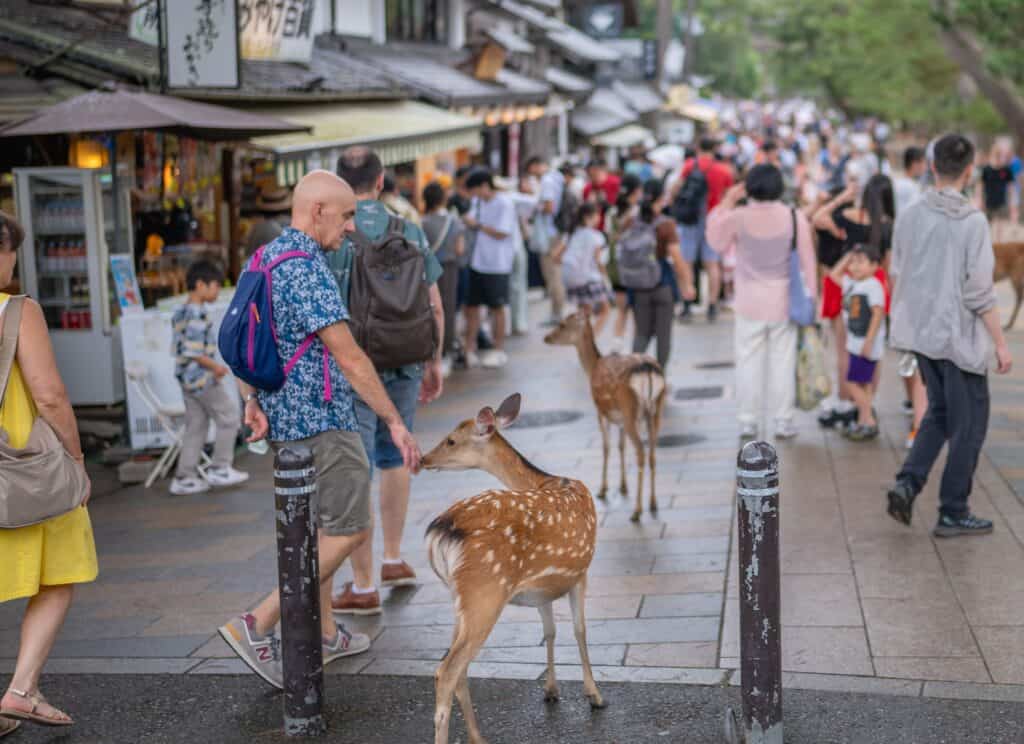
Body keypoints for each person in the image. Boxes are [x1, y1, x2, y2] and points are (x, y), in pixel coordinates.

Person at [218, 171, 422, 687]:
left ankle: (327, 634)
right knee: (351, 527)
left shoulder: (264, 257)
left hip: (285, 421)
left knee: (315, 531)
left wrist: (252, 401)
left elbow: (238, 336)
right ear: (316, 213)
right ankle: (256, 623)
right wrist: (394, 422)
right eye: (346, 215)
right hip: (322, 420)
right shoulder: (306, 267)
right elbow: (349, 357)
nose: (351, 227)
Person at [328, 148, 444, 616]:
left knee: (357, 468)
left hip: (354, 366)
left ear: (340, 184)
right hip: (405, 357)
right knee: (396, 454)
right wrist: (433, 360)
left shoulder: (337, 234)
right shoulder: (408, 228)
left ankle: (362, 583)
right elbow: (434, 302)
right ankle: (394, 558)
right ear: (380, 182)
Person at [885, 134, 1013, 537]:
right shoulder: (972, 222)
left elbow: (897, 269)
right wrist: (1001, 342)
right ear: (970, 170)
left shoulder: (910, 214)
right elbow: (980, 291)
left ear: (932, 166)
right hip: (960, 337)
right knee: (970, 424)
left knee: (939, 413)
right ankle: (953, 509)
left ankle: (908, 481)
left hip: (924, 334)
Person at [0, 211, 97, 732]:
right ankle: (21, 689)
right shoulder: (16, 311)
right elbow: (51, 396)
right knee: (59, 570)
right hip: (24, 472)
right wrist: (77, 463)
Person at [706, 165, 817, 439]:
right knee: (783, 360)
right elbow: (808, 262)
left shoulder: (737, 217)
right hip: (784, 301)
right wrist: (812, 298)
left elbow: (715, 241)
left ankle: (748, 420)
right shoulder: (794, 217)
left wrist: (727, 201)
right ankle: (783, 420)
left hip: (748, 302)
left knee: (747, 362)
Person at [812, 172, 895, 429]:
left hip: (846, 287)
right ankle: (866, 405)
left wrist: (842, 199)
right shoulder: (887, 225)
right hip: (875, 290)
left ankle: (847, 402)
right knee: (872, 352)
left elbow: (816, 219)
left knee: (844, 349)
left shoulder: (849, 218)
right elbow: (888, 266)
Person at [169, 260, 248, 495]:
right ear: (201, 285)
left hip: (186, 380)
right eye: (215, 286)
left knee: (196, 426)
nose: (217, 291)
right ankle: (220, 467)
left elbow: (180, 349)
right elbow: (193, 351)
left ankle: (185, 476)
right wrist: (216, 367)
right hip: (202, 379)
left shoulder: (181, 311)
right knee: (230, 416)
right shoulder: (196, 314)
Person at [628, 179, 695, 370]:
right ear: (660, 198)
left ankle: (635, 375)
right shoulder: (665, 224)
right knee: (663, 335)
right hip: (662, 285)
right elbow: (677, 257)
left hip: (638, 285)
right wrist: (687, 284)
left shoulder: (630, 222)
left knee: (641, 333)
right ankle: (659, 376)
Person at [461, 169, 518, 369]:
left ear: (485, 185)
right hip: (477, 261)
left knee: (497, 307)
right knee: (472, 307)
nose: (473, 195)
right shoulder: (477, 203)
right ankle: (469, 348)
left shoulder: (504, 203)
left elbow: (502, 232)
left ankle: (498, 348)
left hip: (497, 263)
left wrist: (477, 225)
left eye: (475, 189)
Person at [674, 137, 734, 323]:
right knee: (712, 264)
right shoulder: (723, 170)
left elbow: (676, 188)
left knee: (687, 262)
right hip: (713, 220)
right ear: (715, 148)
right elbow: (729, 197)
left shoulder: (689, 166)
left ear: (698, 148)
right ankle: (712, 306)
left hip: (690, 219)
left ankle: (687, 305)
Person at [829, 246, 886, 440]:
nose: (855, 266)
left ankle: (868, 418)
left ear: (874, 266)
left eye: (861, 261)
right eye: (853, 262)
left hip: (864, 346)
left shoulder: (873, 285)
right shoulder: (851, 284)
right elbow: (833, 274)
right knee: (864, 384)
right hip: (855, 344)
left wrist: (869, 341)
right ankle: (864, 422)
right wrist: (848, 256)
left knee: (851, 382)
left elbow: (878, 313)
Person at [421, 181, 465, 378]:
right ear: (443, 199)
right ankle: (445, 352)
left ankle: (430, 353)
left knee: (429, 310)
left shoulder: (422, 223)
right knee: (446, 309)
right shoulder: (454, 221)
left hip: (427, 269)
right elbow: (460, 249)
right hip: (449, 268)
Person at [557, 202, 613, 335]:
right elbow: (599, 261)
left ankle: (584, 337)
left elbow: (555, 256)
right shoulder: (596, 236)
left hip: (571, 278)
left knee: (585, 312)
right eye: (597, 215)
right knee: (605, 310)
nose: (599, 217)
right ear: (588, 217)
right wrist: (606, 279)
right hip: (588, 278)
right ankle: (590, 338)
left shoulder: (570, 234)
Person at [605, 176, 644, 353]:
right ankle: (636, 347)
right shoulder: (638, 213)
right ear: (635, 192)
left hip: (616, 266)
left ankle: (617, 343)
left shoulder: (611, 213)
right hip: (634, 266)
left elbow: (609, 237)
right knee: (637, 310)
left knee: (622, 309)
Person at [979, 140, 1020, 224]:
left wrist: (1012, 202)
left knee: (999, 225)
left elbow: (1011, 187)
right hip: (988, 202)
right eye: (996, 154)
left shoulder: (1006, 170)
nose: (999, 157)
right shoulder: (986, 169)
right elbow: (980, 186)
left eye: (1000, 155)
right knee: (987, 225)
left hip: (1002, 202)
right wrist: (980, 200)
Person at [583, 159, 621, 231]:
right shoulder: (587, 188)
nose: (593, 178)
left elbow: (620, 207)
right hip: (594, 230)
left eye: (595, 174)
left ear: (603, 171)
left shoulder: (615, 183)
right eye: (590, 175)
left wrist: (604, 202)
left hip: (611, 228)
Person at [893, 146, 927, 215]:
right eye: (924, 163)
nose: (925, 167)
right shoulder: (911, 187)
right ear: (915, 164)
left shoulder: (897, 182)